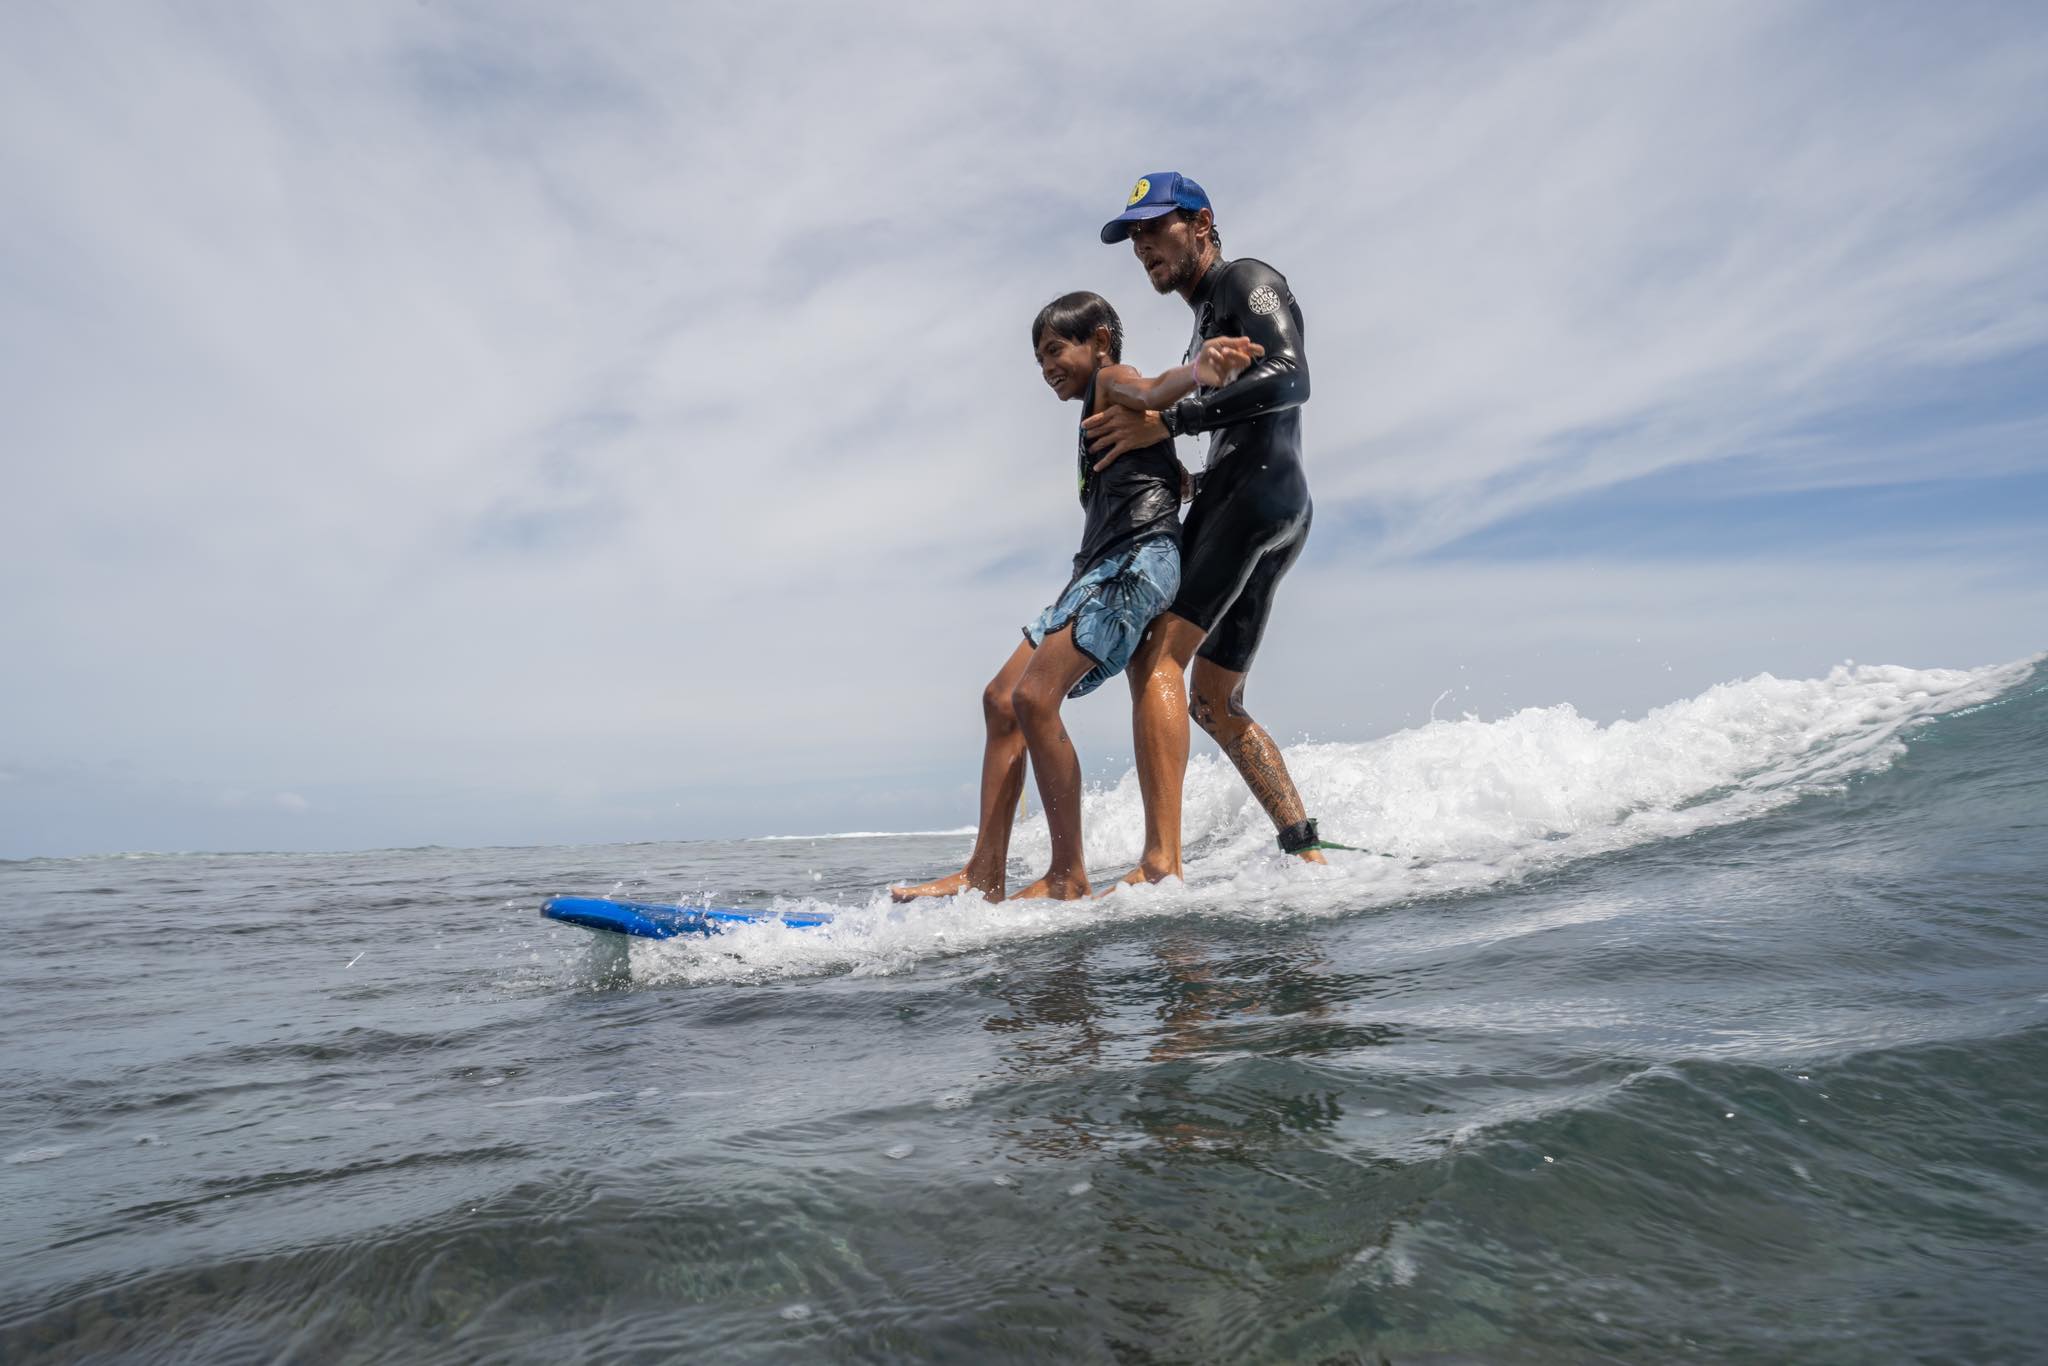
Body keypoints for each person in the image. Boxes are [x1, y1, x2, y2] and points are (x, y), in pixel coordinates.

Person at [892, 292, 1261, 902]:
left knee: (1037, 698)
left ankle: (1068, 876)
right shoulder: (1100, 421)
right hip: (1092, 570)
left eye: (1055, 350)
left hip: (1135, 562)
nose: (1047, 368)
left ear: (1099, 341)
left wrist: (1198, 374)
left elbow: (1150, 390)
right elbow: (1165, 473)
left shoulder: (1114, 382)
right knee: (1001, 701)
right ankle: (983, 875)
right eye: (1038, 359)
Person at [1085, 172, 1331, 886]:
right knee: (1214, 701)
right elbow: (1250, 412)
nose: (1141, 246)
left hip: (1254, 497)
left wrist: (1172, 420)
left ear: (1201, 222)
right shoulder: (1206, 318)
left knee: (1155, 660)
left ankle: (1161, 864)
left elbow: (1292, 377)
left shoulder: (1247, 280)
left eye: (1154, 227)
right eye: (1132, 234)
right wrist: (1188, 471)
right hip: (1274, 504)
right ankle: (1306, 852)